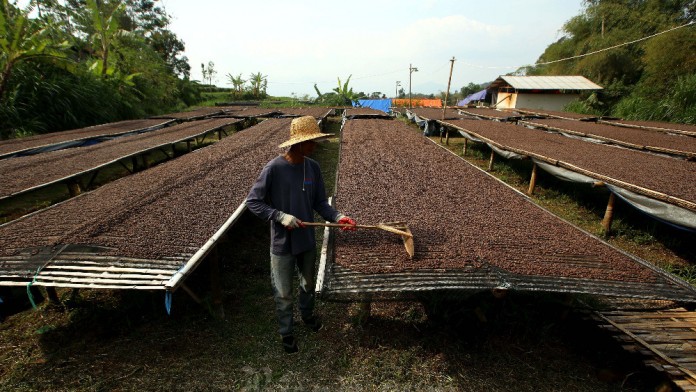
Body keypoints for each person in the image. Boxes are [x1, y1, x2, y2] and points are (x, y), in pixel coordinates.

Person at [246, 116, 356, 354]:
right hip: (282, 243)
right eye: (310, 141)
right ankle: (286, 331)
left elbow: (319, 203)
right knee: (283, 291)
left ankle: (307, 316)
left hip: (306, 240)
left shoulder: (312, 167)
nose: (314, 146)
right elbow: (253, 202)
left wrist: (337, 217)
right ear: (297, 143)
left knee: (307, 284)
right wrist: (279, 216)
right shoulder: (274, 168)